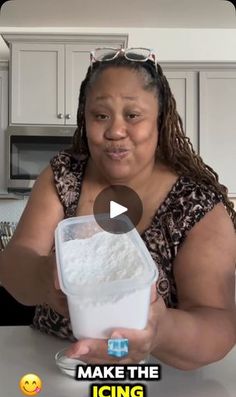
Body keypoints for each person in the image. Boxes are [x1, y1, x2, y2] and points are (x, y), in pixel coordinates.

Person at [0, 47, 235, 370]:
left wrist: (159, 331)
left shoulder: (196, 204)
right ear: (85, 119)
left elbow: (219, 323)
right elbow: (13, 264)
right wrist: (44, 276)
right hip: (52, 368)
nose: (115, 131)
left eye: (133, 115)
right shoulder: (63, 176)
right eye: (101, 115)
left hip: (159, 385)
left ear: (160, 119)